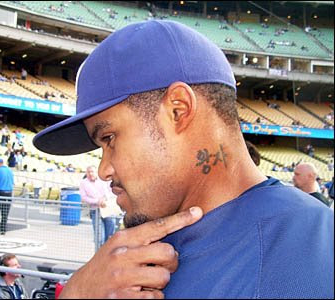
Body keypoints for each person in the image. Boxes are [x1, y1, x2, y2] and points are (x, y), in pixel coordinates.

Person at [32, 20, 333, 298]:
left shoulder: (310, 253)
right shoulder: (139, 248)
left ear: (178, 109)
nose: (103, 169)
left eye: (109, 138)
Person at [80, 166, 118, 246]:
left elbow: (111, 191)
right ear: (86, 173)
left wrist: (105, 199)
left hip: (108, 210)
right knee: (99, 236)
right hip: (95, 211)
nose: (90, 173)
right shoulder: (83, 183)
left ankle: (108, 255)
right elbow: (84, 197)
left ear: (96, 172)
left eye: (92, 171)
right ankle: (99, 255)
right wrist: (97, 201)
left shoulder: (103, 180)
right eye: (88, 172)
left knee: (110, 236)